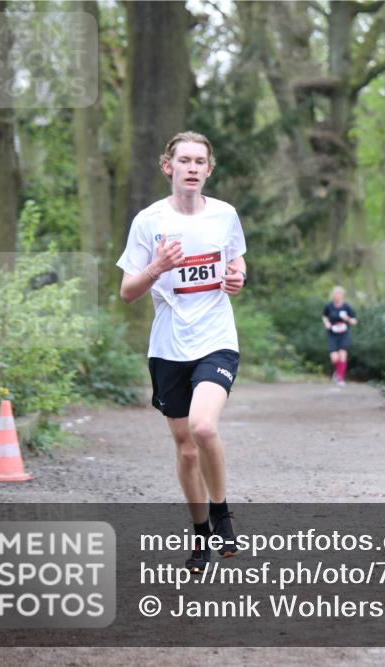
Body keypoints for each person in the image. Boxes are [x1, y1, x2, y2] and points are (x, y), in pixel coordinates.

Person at [117, 131, 247, 573]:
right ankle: (200, 539)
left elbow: (236, 260)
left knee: (204, 427)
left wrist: (237, 277)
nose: (192, 168)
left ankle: (223, 512)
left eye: (200, 161)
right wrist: (158, 267)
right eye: (184, 160)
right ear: (168, 166)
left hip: (216, 337)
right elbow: (127, 292)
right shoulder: (149, 222)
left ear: (209, 169)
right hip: (169, 347)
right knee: (186, 450)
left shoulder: (224, 215)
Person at [322, 286, 358, 386]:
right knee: (334, 358)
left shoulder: (347, 307)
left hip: (344, 334)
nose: (338, 296)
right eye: (336, 294)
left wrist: (348, 319)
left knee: (343, 354)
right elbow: (324, 316)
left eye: (339, 294)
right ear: (333, 295)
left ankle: (340, 378)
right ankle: (337, 372)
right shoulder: (329, 306)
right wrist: (327, 323)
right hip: (332, 334)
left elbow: (354, 321)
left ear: (343, 295)